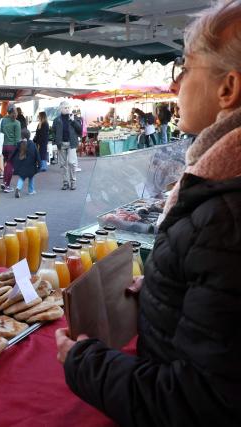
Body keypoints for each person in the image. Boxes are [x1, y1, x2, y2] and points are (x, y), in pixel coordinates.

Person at [56, 2, 241, 425]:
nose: (176, 85)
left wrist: (83, 362)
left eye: (186, 67)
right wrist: (165, 294)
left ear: (227, 88)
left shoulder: (225, 217)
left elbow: (200, 403)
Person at [52, 101, 82, 190]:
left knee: (72, 163)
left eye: (68, 107)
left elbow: (80, 130)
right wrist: (56, 141)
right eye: (65, 108)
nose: (67, 109)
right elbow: (53, 131)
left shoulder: (74, 118)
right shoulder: (57, 120)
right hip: (61, 144)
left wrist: (73, 121)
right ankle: (65, 182)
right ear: (60, 109)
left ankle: (73, 182)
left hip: (71, 143)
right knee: (62, 164)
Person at [0, 104, 22, 193]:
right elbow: (17, 139)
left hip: (3, 146)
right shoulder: (17, 123)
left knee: (7, 164)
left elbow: (0, 132)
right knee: (10, 165)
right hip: (12, 146)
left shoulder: (3, 121)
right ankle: (6, 184)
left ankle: (4, 182)